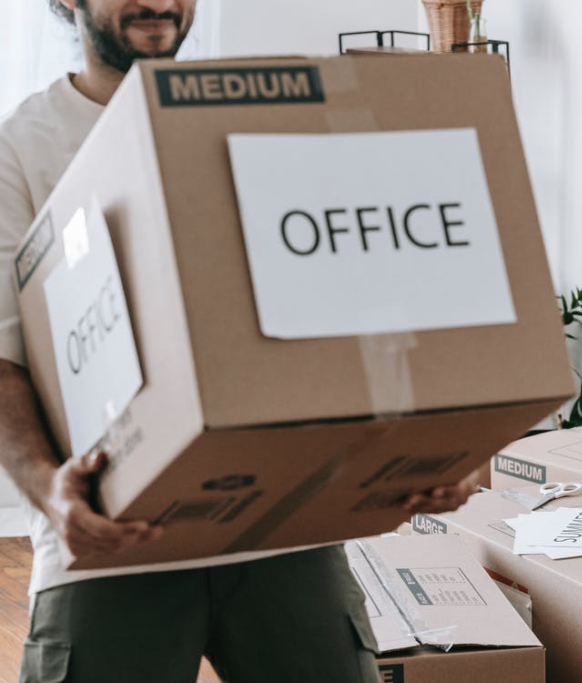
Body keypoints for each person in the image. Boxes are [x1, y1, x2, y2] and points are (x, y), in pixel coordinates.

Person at [0, 1, 475, 680]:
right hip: (108, 540)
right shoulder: (20, 147)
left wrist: (418, 445)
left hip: (282, 519)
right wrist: (50, 492)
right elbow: (2, 358)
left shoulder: (256, 116)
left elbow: (351, 307)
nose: (161, 3)